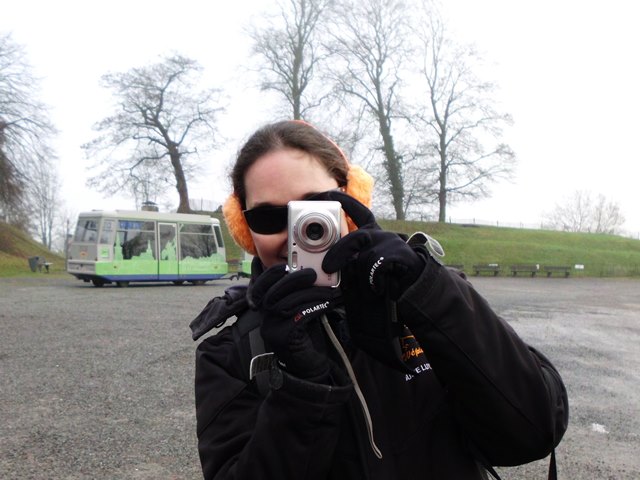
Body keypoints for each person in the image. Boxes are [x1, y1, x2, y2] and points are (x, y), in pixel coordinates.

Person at [190, 120, 569, 480]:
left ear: (352, 199)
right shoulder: (229, 354)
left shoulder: (423, 294)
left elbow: (532, 431)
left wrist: (429, 292)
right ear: (243, 226)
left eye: (316, 206)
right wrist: (301, 388)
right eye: (269, 217)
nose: (295, 233)